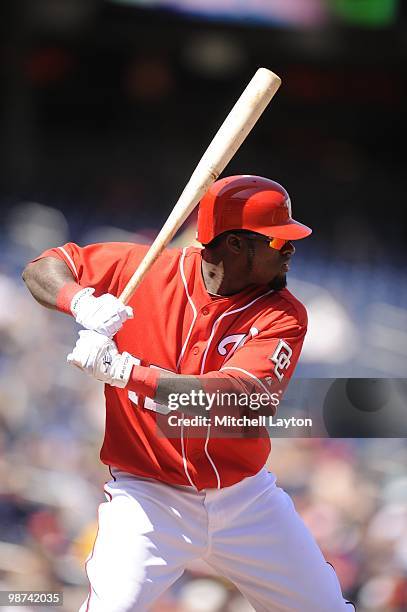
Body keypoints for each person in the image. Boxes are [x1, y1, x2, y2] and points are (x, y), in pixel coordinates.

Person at [23, 175, 354, 611]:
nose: (291, 249)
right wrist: (80, 301)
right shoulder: (143, 270)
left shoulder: (284, 314)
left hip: (243, 499)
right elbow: (40, 268)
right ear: (235, 244)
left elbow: (236, 399)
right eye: (277, 242)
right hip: (148, 496)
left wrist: (125, 371)